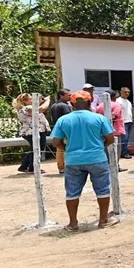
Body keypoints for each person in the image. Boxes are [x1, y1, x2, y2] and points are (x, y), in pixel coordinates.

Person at [51, 90, 120, 231]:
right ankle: (103, 220)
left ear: (72, 103)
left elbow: (56, 142)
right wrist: (99, 147)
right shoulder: (99, 119)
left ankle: (73, 223)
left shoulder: (63, 120)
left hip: (73, 160)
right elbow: (110, 139)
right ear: (90, 101)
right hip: (97, 159)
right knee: (102, 190)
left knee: (72, 192)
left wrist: (69, 149)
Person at [14, 93, 51, 173]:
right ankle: (33, 167)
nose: (33, 100)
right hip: (33, 132)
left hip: (32, 131)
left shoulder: (25, 108)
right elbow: (41, 109)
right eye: (31, 99)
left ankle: (26, 166)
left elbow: (38, 108)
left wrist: (40, 101)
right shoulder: (27, 108)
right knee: (37, 149)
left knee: (34, 149)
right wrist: (47, 101)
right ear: (25, 101)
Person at [95, 90, 127, 172]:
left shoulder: (99, 106)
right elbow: (114, 116)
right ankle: (115, 166)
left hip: (102, 132)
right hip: (115, 131)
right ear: (114, 97)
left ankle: (107, 166)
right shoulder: (116, 105)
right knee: (116, 150)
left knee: (105, 150)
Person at [51, 89, 72, 174]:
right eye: (68, 95)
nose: (70, 96)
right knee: (65, 149)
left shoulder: (54, 106)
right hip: (65, 131)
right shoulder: (64, 106)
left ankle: (61, 168)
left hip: (58, 130)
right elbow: (68, 119)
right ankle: (65, 167)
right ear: (61, 96)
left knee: (59, 150)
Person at [116, 87, 134, 158]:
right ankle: (123, 152)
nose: (127, 93)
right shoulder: (118, 101)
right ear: (121, 92)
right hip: (123, 122)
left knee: (128, 138)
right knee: (124, 138)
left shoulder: (128, 101)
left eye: (128, 92)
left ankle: (126, 150)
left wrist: (133, 119)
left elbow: (129, 111)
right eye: (125, 92)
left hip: (129, 121)